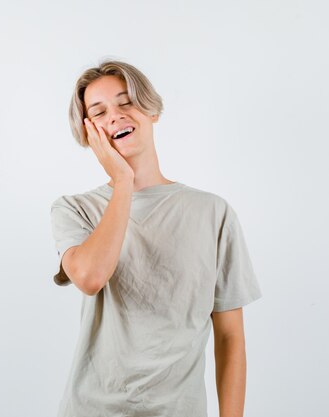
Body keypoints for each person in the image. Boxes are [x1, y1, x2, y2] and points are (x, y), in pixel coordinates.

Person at [49, 59, 263, 417]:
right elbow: (89, 277)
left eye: (125, 102)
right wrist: (123, 183)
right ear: (89, 133)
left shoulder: (213, 212)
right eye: (98, 112)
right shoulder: (74, 209)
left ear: (151, 111)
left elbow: (229, 336)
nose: (115, 116)